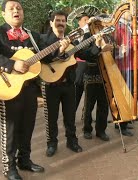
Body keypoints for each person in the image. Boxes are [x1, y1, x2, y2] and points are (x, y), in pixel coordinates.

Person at [0, 0, 69, 179]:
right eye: (11, 8)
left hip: (30, 89)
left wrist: (60, 49)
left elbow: (47, 57)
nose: (16, 11)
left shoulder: (32, 36)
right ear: (4, 14)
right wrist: (12, 64)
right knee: (11, 130)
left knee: (28, 127)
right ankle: (9, 167)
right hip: (9, 87)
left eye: (19, 8)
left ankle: (25, 160)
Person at [41, 10, 82, 157]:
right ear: (51, 23)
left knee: (70, 116)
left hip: (69, 84)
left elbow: (86, 54)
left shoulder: (72, 41)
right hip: (51, 84)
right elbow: (42, 59)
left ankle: (72, 141)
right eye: (57, 21)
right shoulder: (44, 39)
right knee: (51, 117)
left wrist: (97, 45)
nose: (61, 23)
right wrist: (60, 50)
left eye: (63, 21)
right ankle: (52, 143)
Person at [74, 6, 112, 141]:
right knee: (89, 103)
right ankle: (87, 128)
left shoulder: (108, 35)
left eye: (102, 22)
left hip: (107, 72)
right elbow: (84, 54)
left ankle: (101, 130)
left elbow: (113, 51)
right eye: (98, 22)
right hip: (91, 71)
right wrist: (99, 49)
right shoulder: (87, 35)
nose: (100, 25)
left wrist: (115, 49)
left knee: (103, 103)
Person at [113, 11, 138, 136]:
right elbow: (127, 46)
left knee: (135, 93)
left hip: (135, 64)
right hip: (125, 65)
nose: (133, 13)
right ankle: (121, 124)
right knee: (125, 95)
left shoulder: (130, 26)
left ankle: (127, 118)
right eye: (130, 10)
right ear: (122, 12)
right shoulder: (118, 27)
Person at [68, 5, 100, 110]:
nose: (87, 23)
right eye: (85, 20)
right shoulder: (74, 34)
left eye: (89, 20)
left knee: (90, 95)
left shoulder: (94, 34)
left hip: (92, 67)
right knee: (77, 92)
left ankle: (86, 115)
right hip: (79, 66)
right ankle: (71, 115)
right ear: (79, 22)